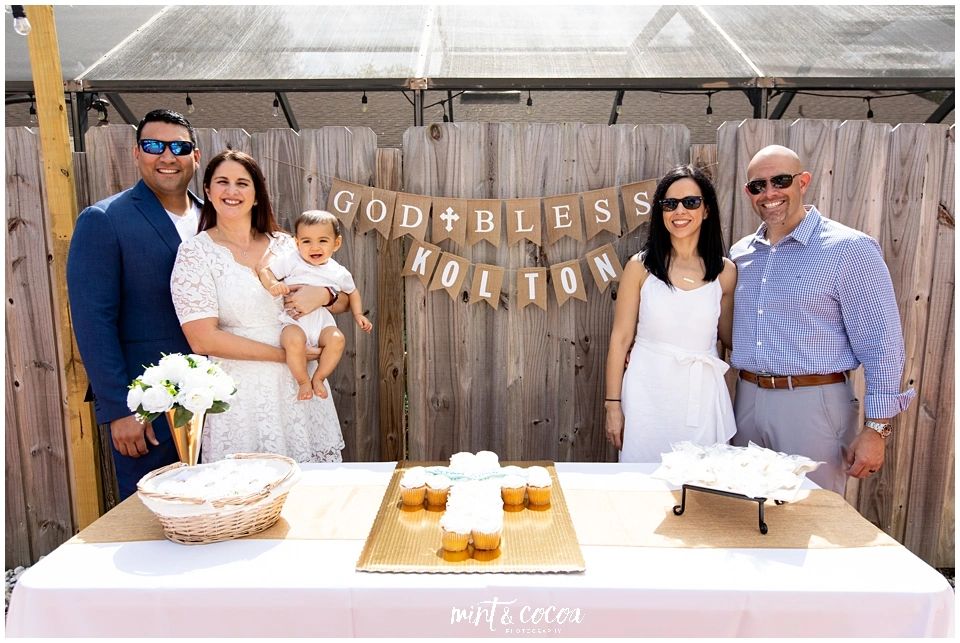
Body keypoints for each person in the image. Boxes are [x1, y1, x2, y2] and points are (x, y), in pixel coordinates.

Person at [730, 144, 914, 494]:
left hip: (813, 404)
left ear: (803, 182)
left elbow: (882, 343)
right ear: (748, 192)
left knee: (812, 512)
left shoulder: (849, 249)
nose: (769, 193)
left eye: (780, 181)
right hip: (747, 400)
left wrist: (877, 428)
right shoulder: (741, 254)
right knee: (746, 509)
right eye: (758, 186)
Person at [169, 150, 346, 463]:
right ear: (208, 190)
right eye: (222, 182)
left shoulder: (287, 245)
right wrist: (288, 355)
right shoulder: (195, 254)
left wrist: (324, 296)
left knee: (311, 482)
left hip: (299, 387)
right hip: (241, 390)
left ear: (256, 195)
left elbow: (344, 298)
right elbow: (202, 339)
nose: (232, 191)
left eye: (242, 183)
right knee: (245, 483)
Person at [67, 109, 202, 499]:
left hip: (218, 404)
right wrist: (119, 410)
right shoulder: (105, 219)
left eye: (179, 147)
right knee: (151, 515)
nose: (167, 156)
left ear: (195, 156)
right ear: (137, 153)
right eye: (154, 145)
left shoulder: (215, 217)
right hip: (148, 409)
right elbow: (94, 322)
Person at [604, 165, 738, 462]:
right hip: (647, 393)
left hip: (701, 396)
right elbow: (620, 339)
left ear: (706, 210)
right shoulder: (640, 267)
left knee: (702, 480)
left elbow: (728, 337)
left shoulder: (725, 272)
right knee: (642, 478)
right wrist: (613, 404)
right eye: (670, 204)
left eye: (691, 202)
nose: (680, 211)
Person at [258, 210, 373, 401]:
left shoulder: (338, 272)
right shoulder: (292, 260)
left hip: (322, 323)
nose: (314, 247)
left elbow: (352, 292)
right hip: (294, 321)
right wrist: (273, 285)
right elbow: (266, 271)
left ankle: (319, 377)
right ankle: (303, 381)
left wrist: (358, 314)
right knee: (293, 340)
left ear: (336, 243)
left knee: (337, 339)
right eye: (306, 241)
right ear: (297, 243)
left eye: (323, 240)